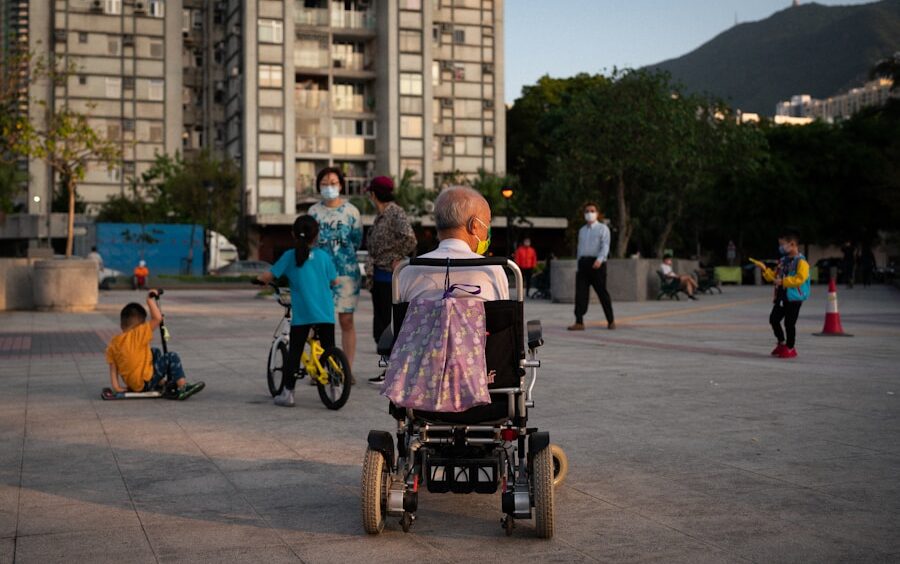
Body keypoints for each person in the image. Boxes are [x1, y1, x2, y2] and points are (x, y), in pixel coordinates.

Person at [257, 216, 338, 407]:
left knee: (295, 352)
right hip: (326, 313)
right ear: (316, 235)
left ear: (293, 234)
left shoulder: (289, 256)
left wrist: (259, 280)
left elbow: (269, 276)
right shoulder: (324, 256)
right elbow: (334, 281)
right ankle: (335, 388)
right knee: (330, 351)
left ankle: (288, 393)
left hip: (303, 315)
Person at [397, 185, 508, 303]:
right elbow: (503, 320)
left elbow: (399, 320)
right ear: (474, 225)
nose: (488, 231)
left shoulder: (407, 271)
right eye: (487, 223)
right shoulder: (492, 271)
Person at [364, 176, 417, 385]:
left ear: (374, 194)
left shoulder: (395, 212)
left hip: (389, 276)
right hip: (378, 276)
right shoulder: (382, 215)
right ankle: (388, 368)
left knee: (388, 326)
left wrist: (398, 258)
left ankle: (393, 371)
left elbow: (410, 238)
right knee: (381, 325)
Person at [308, 167, 363, 370]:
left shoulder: (351, 212)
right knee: (319, 322)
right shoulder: (313, 212)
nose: (329, 186)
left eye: (333, 182)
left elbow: (357, 240)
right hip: (318, 275)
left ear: (340, 185)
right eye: (324, 183)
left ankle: (346, 369)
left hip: (346, 274)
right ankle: (321, 368)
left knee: (346, 320)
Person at [105, 291, 204, 399]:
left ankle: (160, 383)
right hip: (145, 383)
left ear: (121, 324)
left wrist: (117, 387)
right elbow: (157, 318)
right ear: (140, 325)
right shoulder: (138, 333)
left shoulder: (113, 343)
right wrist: (149, 300)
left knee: (154, 351)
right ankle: (182, 387)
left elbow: (113, 368)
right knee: (171, 357)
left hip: (133, 384)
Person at [756, 228, 811, 359]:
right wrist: (765, 270)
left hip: (794, 299)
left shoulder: (801, 262)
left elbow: (800, 279)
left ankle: (791, 348)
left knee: (789, 324)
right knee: (774, 319)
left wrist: (784, 282)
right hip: (782, 296)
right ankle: (782, 343)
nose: (780, 247)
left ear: (792, 244)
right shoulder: (783, 261)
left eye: (782, 244)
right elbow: (775, 277)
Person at [569, 203, 615, 331]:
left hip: (597, 265)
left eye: (592, 211)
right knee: (580, 294)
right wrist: (579, 264)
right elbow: (580, 248)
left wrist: (600, 259)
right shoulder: (582, 230)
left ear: (597, 213)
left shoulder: (602, 228)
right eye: (587, 211)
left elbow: (605, 245)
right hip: (583, 264)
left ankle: (610, 320)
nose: (590, 213)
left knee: (602, 293)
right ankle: (579, 321)